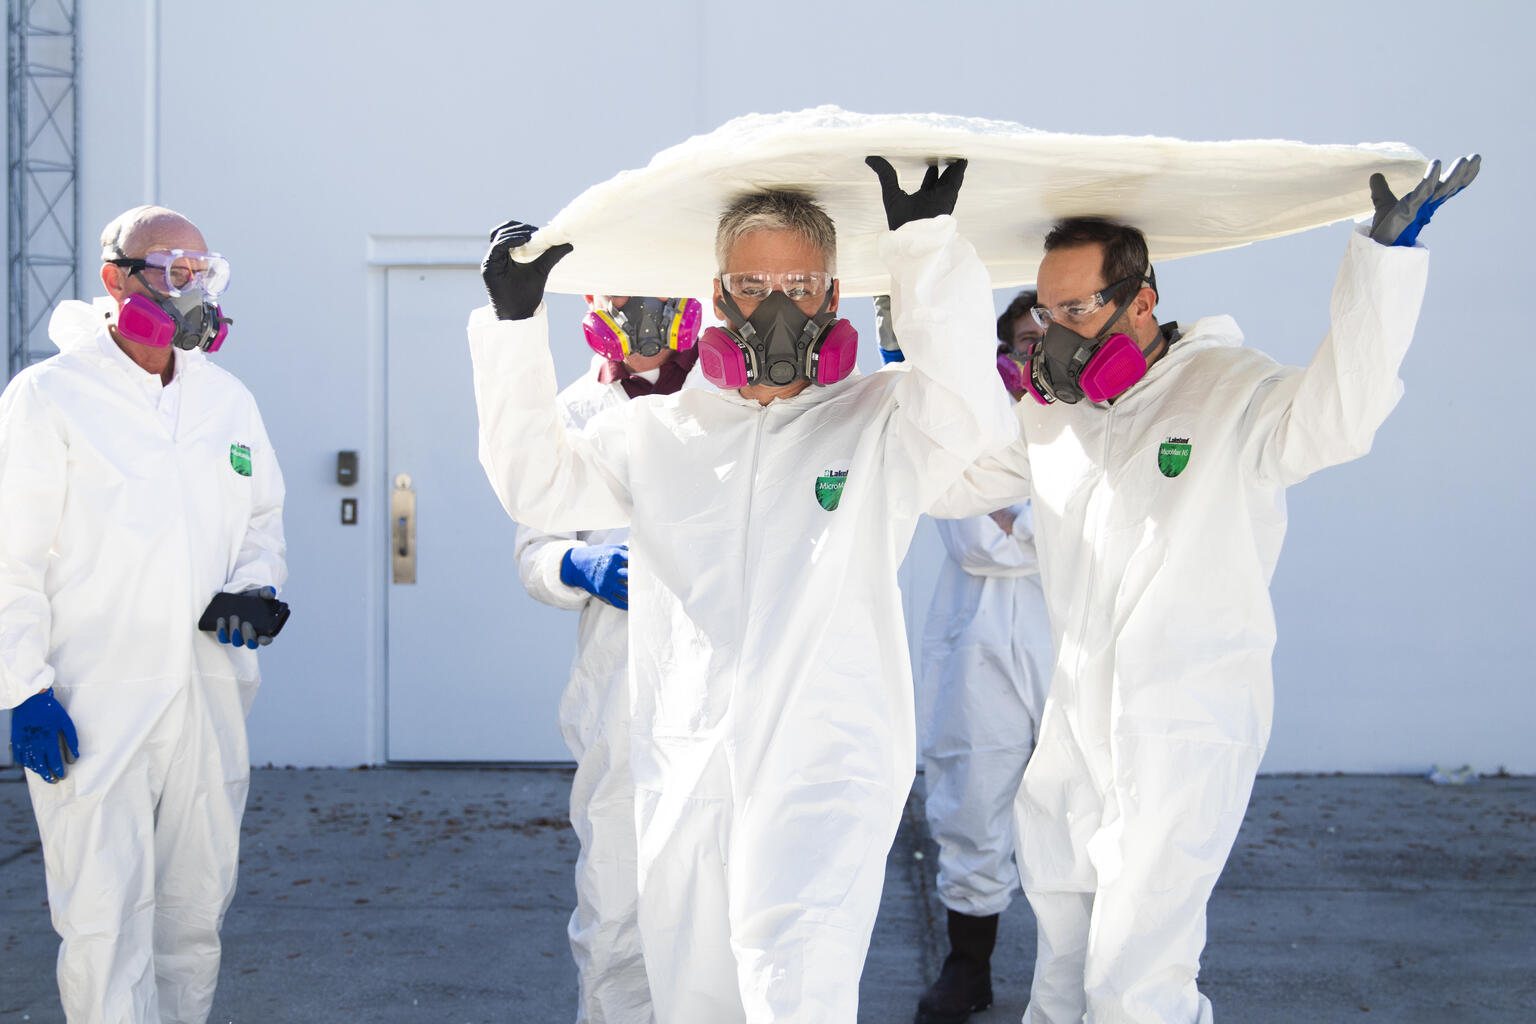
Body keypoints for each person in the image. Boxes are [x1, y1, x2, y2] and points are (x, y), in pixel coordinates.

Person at [469, 157, 1018, 1023]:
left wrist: (926, 252)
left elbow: (979, 436)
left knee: (790, 991)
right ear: (718, 297)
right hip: (685, 760)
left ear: (832, 299)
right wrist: (512, 326)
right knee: (694, 997)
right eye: (753, 282)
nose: (776, 305)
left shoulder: (882, 419)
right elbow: (536, 487)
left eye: (800, 283)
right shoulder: (658, 430)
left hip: (824, 768)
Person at [932, 157, 1478, 1023]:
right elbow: (949, 480)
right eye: (1048, 312)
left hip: (1183, 722)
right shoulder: (1053, 416)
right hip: (1076, 721)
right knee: (1064, 958)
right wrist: (918, 340)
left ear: (1141, 301)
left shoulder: (1232, 390)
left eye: (1076, 311)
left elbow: (1338, 421)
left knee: (1136, 978)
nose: (1058, 333)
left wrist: (1382, 263)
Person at [0, 205, 288, 1024]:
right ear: (113, 278)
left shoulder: (227, 402)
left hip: (207, 697)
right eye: (167, 267)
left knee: (194, 920)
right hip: (94, 704)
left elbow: (261, 522)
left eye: (199, 271)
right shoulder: (51, 398)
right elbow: (8, 559)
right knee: (102, 924)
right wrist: (24, 687)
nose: (185, 286)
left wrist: (255, 588)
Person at [514, 292, 702, 1023]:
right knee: (617, 909)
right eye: (624, 295)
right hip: (621, 694)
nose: (645, 309)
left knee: (721, 909)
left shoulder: (739, 390)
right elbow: (532, 553)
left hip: (735, 685)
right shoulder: (570, 412)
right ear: (595, 303)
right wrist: (578, 564)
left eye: (657, 289)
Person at [913, 292, 1054, 1024]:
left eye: (1050, 336)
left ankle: (1078, 975)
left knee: (1081, 808)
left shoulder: (1101, 419)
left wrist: (1017, 518)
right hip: (980, 650)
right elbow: (976, 542)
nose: (1037, 351)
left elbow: (1105, 530)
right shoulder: (970, 430)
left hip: (1070, 639)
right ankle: (969, 969)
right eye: (1024, 339)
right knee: (973, 806)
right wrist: (1049, 522)